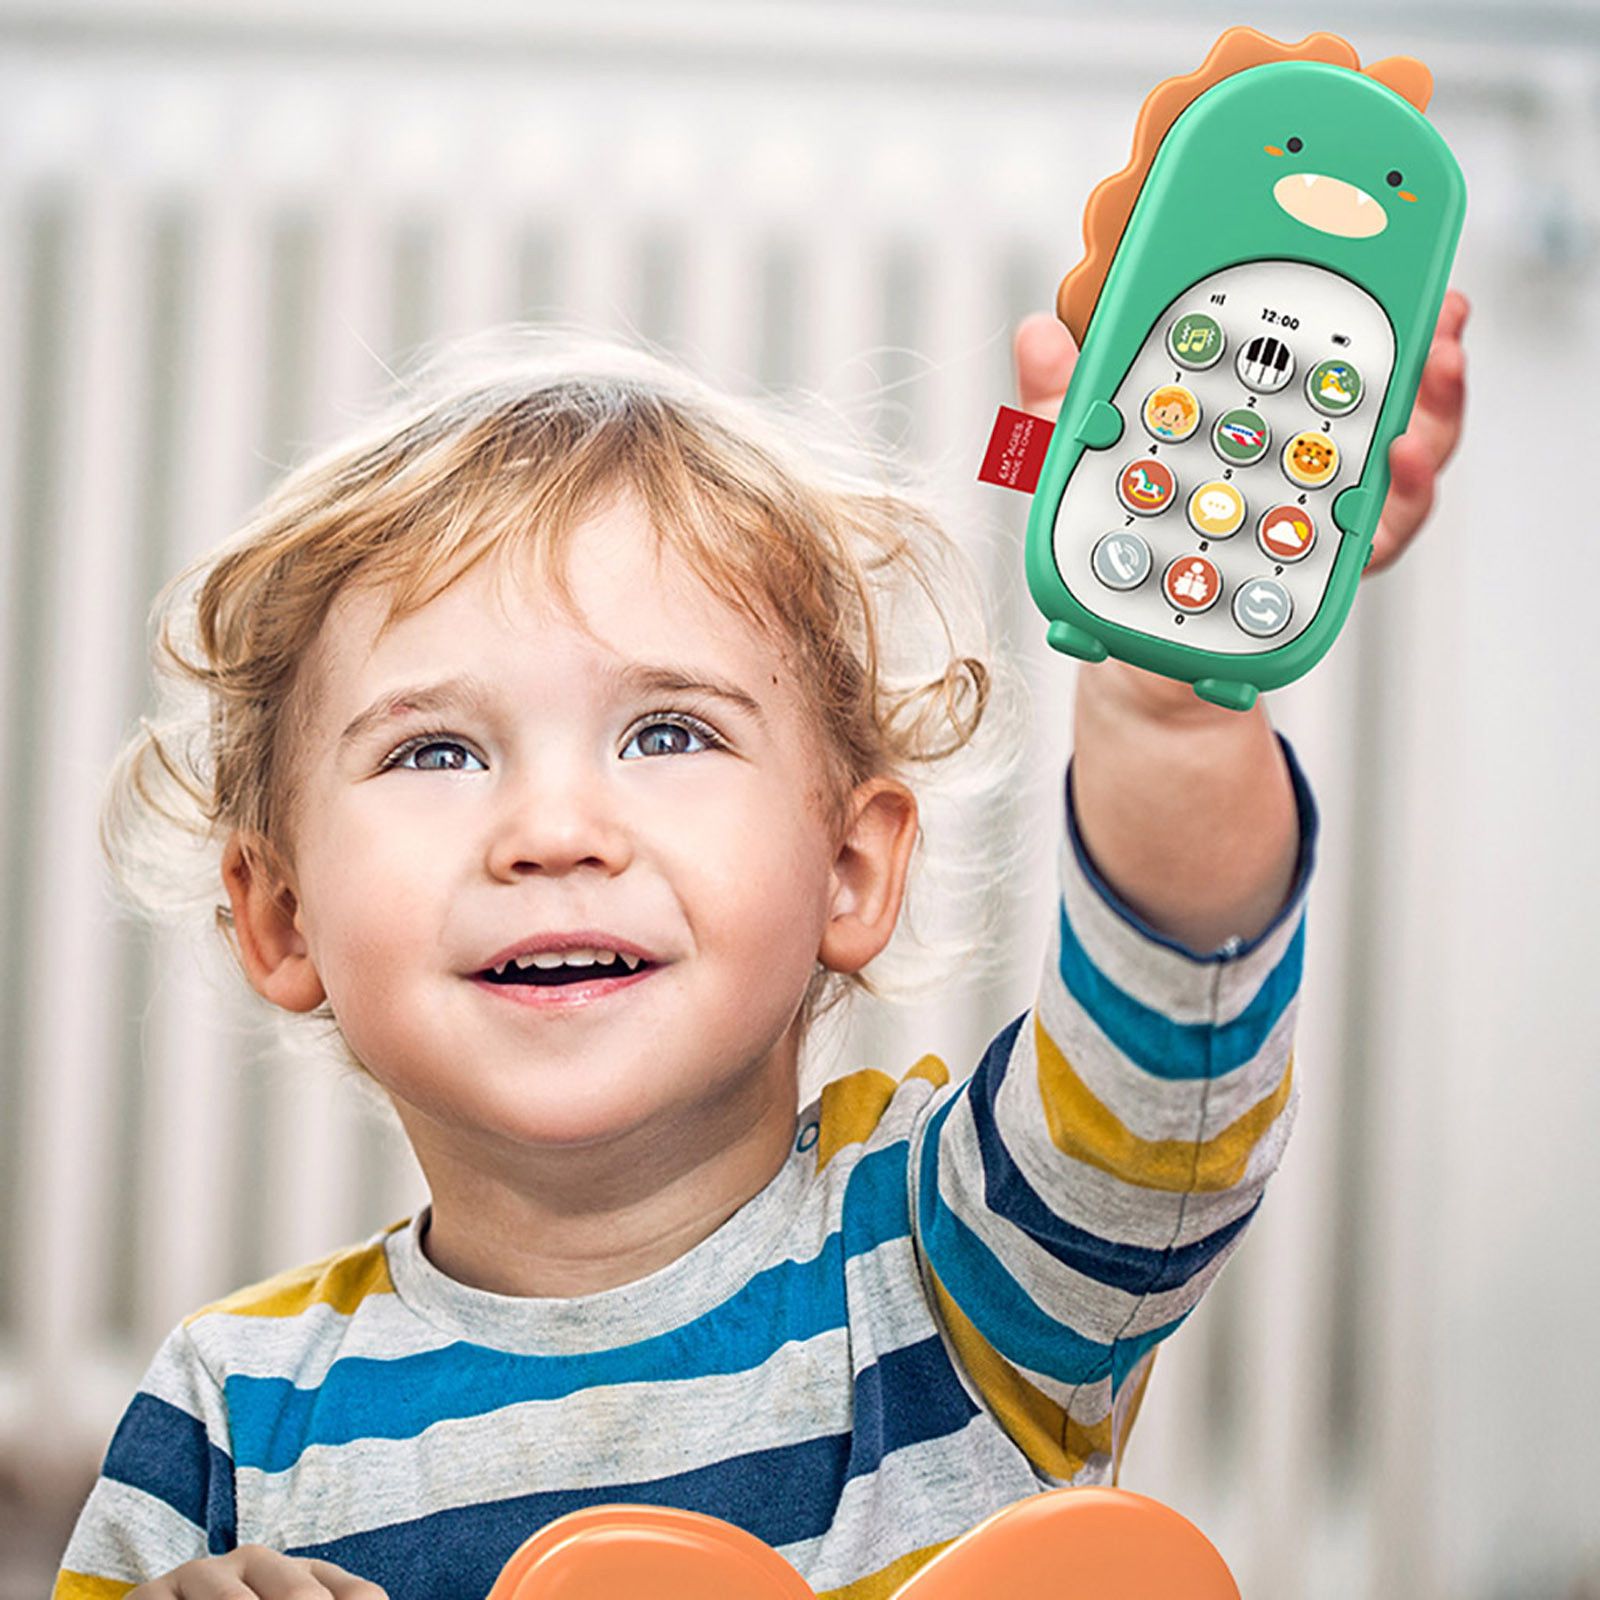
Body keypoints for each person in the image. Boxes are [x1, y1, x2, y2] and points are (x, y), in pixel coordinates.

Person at [53, 291, 1470, 1600]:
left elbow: (1169, 1040)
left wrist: (1173, 708)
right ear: (282, 918)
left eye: (668, 732)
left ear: (849, 869)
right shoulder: (227, 1419)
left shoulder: (956, 1257)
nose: (553, 829)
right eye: (436, 750)